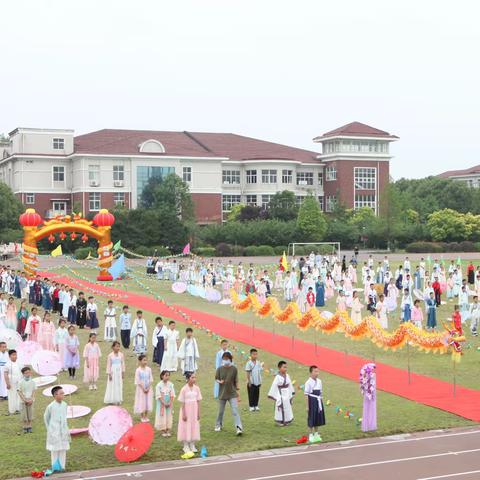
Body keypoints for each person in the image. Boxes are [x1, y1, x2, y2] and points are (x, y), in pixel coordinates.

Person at [215, 351, 243, 435]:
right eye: (223, 359)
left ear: (230, 359)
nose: (225, 361)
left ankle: (239, 427)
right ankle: (218, 425)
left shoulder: (234, 369)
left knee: (235, 411)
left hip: (232, 393)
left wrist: (238, 392)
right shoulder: (219, 369)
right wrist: (219, 382)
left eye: (226, 359)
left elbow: (236, 380)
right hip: (222, 393)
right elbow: (216, 378)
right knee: (221, 411)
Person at [44, 386, 71, 472]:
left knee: (63, 448)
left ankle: (62, 466)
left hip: (63, 429)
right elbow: (46, 417)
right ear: (55, 395)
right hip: (53, 430)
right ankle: (55, 467)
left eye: (63, 393)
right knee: (54, 449)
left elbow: (64, 416)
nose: (63, 395)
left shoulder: (65, 404)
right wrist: (49, 429)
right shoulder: (50, 406)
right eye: (61, 393)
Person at [177, 373, 202, 458]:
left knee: (194, 425)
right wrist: (183, 413)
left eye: (195, 377)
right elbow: (182, 402)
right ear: (188, 379)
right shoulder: (184, 389)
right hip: (186, 410)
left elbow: (198, 401)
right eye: (192, 377)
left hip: (194, 410)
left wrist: (198, 412)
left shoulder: (197, 388)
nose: (194, 379)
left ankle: (192, 444)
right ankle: (185, 445)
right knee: (185, 426)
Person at [268, 360, 295, 426]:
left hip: (287, 393)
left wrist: (292, 393)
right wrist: (276, 395)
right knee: (280, 407)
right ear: (279, 368)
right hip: (280, 393)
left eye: (286, 367)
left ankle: (287, 420)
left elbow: (290, 384)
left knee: (287, 407)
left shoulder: (287, 375)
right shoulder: (277, 377)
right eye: (284, 367)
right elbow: (274, 385)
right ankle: (279, 421)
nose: (285, 369)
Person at [304, 365, 325, 443]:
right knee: (311, 418)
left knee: (317, 417)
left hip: (318, 400)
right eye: (315, 371)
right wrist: (307, 406)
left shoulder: (319, 381)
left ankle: (316, 434)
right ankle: (310, 435)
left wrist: (320, 401)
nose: (317, 373)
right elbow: (306, 395)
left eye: (318, 371)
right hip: (311, 401)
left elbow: (320, 392)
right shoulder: (308, 382)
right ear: (311, 372)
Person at [154, 370, 175, 437]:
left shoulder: (171, 385)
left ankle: (168, 429)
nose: (167, 377)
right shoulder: (159, 385)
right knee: (162, 415)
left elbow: (172, 394)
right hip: (161, 403)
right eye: (166, 375)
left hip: (169, 402)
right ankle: (163, 430)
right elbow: (158, 395)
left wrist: (170, 402)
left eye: (168, 375)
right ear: (162, 376)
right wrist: (164, 403)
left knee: (168, 415)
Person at [134, 354, 153, 422]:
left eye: (146, 360)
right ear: (140, 361)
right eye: (144, 360)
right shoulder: (138, 370)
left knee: (147, 401)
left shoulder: (149, 369)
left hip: (148, 388)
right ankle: (142, 416)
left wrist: (148, 387)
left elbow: (151, 379)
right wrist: (143, 388)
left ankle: (146, 415)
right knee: (141, 401)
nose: (145, 362)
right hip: (141, 389)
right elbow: (137, 381)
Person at [17, 366, 36, 433]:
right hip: (23, 401)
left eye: (29, 372)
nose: (28, 374)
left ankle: (29, 425)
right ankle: (25, 426)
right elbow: (19, 391)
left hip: (30, 400)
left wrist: (31, 399)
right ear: (23, 374)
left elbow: (34, 391)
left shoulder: (33, 382)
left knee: (30, 413)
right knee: (24, 413)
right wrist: (24, 399)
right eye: (26, 373)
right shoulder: (20, 382)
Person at [4, 349, 22, 415]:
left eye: (16, 355)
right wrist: (7, 383)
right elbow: (5, 374)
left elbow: (22, 372)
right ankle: (12, 410)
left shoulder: (19, 363)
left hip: (19, 380)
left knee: (19, 395)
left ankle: (18, 408)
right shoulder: (7, 364)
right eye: (13, 355)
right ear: (9, 356)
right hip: (11, 381)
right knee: (12, 395)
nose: (15, 356)